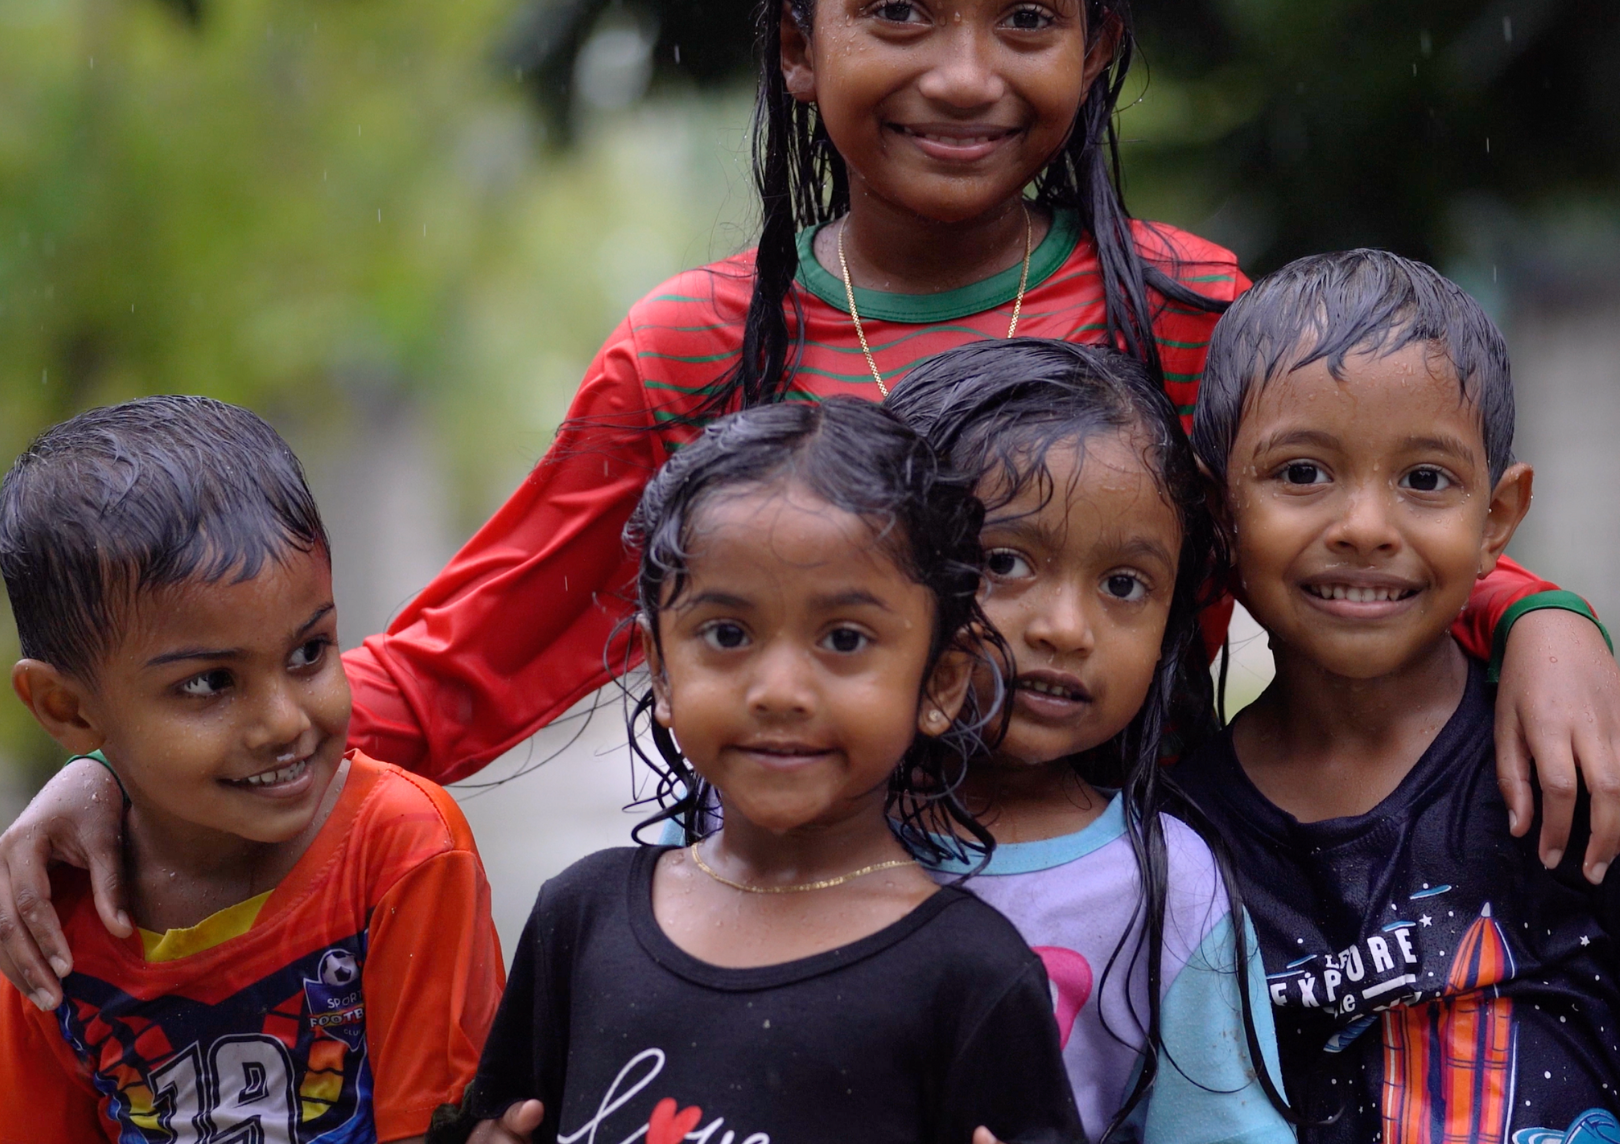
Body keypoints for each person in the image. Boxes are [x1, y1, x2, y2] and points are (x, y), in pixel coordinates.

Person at [4, 0, 1615, 1005]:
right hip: (787, 964)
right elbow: (460, 671)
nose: (965, 75)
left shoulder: (1183, 307)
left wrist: (1533, 617)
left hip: (1130, 958)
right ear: (796, 42)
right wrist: (124, 764)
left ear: (1098, 44)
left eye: (1028, 23)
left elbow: (1354, 522)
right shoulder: (699, 353)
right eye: (898, 13)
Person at [434, 397, 1084, 1144]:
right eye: (728, 633)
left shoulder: (971, 978)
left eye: (844, 639)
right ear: (663, 673)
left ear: (939, 683)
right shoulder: (579, 920)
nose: (778, 691)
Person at [1175, 252, 1620, 1142]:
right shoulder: (1180, 838)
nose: (1366, 529)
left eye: (1424, 480)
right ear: (1218, 515)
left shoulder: (1565, 761)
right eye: (1301, 473)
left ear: (1496, 520)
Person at [0, 397, 504, 1144]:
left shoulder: (399, 851)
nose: (286, 723)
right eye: (209, 683)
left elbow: (432, 1125)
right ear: (69, 710)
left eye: (310, 653)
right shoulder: (47, 914)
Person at [889, 339, 1292, 1144]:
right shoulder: (759, 828)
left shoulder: (1169, 892)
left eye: (1122, 585)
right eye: (1003, 561)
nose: (1067, 629)